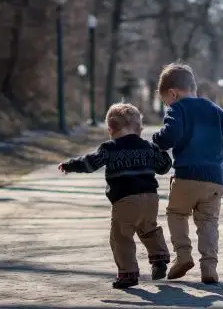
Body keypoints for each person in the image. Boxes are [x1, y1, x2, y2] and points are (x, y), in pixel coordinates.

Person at [58, 103, 172, 289]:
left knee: (121, 236)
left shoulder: (109, 148)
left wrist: (70, 165)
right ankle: (159, 259)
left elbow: (90, 163)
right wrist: (160, 151)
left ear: (110, 129)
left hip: (125, 200)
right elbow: (164, 167)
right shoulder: (148, 147)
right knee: (149, 228)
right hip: (150, 198)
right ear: (139, 128)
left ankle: (128, 274)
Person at [152, 63, 223, 284]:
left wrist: (157, 139)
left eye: (166, 102)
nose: (167, 105)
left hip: (186, 176)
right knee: (209, 221)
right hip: (214, 179)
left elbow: (170, 135)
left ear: (173, 93)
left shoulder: (177, 109)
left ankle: (183, 256)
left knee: (177, 213)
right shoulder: (218, 111)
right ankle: (209, 267)